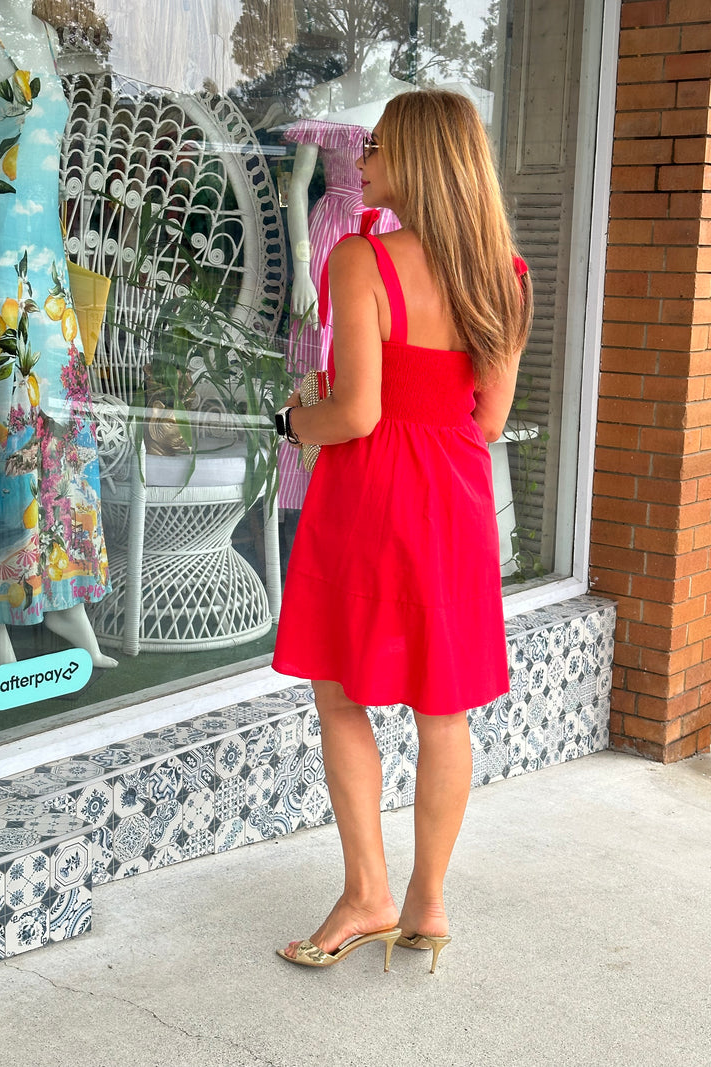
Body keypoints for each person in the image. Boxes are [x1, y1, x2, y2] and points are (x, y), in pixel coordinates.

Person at [271, 89, 533, 972]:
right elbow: (489, 421)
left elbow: (355, 413)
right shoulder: (507, 273)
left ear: (418, 158)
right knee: (442, 707)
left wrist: (289, 421)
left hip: (372, 501)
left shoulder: (359, 257)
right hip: (455, 505)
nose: (360, 155)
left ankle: (366, 892)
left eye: (377, 142)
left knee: (343, 692)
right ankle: (427, 903)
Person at [0, 0, 116, 671]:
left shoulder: (44, 35)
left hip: (49, 269)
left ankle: (63, 596)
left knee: (59, 430)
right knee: (3, 439)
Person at [277, 40, 413, 510]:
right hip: (331, 229)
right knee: (319, 356)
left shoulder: (407, 102)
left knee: (379, 360)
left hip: (389, 225)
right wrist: (302, 271)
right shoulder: (326, 98)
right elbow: (297, 186)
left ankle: (363, 482)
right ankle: (305, 488)